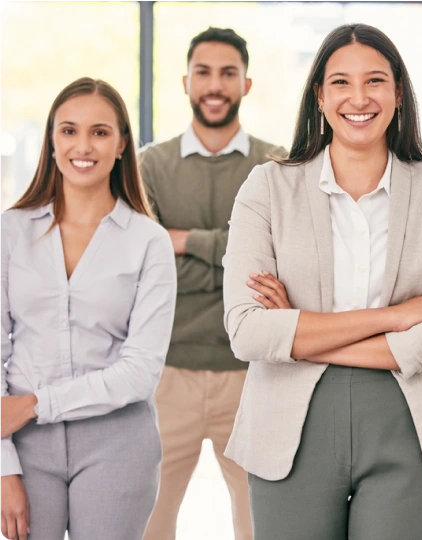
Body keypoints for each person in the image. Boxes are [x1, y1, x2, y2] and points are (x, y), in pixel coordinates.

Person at [222, 23, 422, 540]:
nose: (358, 98)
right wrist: (394, 317)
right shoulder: (267, 187)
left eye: (375, 81)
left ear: (398, 92)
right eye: (340, 82)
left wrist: (300, 333)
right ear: (319, 94)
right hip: (288, 429)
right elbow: (248, 333)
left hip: (410, 426)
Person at [0, 77, 176, 540]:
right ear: (52, 142)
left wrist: (36, 405)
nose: (83, 145)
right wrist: (2, 467)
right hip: (19, 443)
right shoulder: (10, 231)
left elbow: (140, 370)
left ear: (121, 144)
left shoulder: (148, 242)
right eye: (69, 131)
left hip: (117, 441)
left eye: (100, 132)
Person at [140, 27, 283, 540]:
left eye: (228, 73)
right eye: (204, 72)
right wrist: (234, 254)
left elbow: (279, 266)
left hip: (253, 376)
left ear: (246, 83)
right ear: (185, 82)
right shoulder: (149, 166)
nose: (215, 84)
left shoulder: (277, 165)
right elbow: (147, 267)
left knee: (261, 525)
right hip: (166, 375)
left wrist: (182, 241)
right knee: (148, 524)